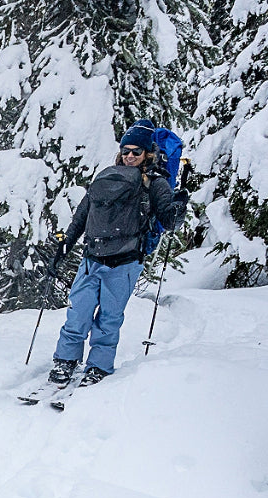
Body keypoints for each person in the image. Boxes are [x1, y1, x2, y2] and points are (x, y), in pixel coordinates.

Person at [48, 119, 190, 389]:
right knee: (78, 313)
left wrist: (178, 207)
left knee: (109, 319)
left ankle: (98, 365)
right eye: (126, 150)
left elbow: (168, 222)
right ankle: (65, 360)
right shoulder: (106, 176)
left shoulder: (156, 184)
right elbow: (84, 212)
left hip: (124, 263)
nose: (130, 156)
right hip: (91, 259)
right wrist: (67, 242)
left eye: (136, 151)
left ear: (148, 153)